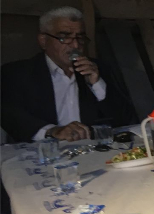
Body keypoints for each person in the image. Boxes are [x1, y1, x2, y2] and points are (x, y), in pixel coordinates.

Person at [1, 7, 134, 142]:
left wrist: (96, 84)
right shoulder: (17, 73)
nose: (75, 45)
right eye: (64, 37)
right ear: (43, 40)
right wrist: (53, 131)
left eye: (80, 37)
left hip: (92, 148)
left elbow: (124, 119)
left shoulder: (98, 69)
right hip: (43, 150)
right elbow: (11, 117)